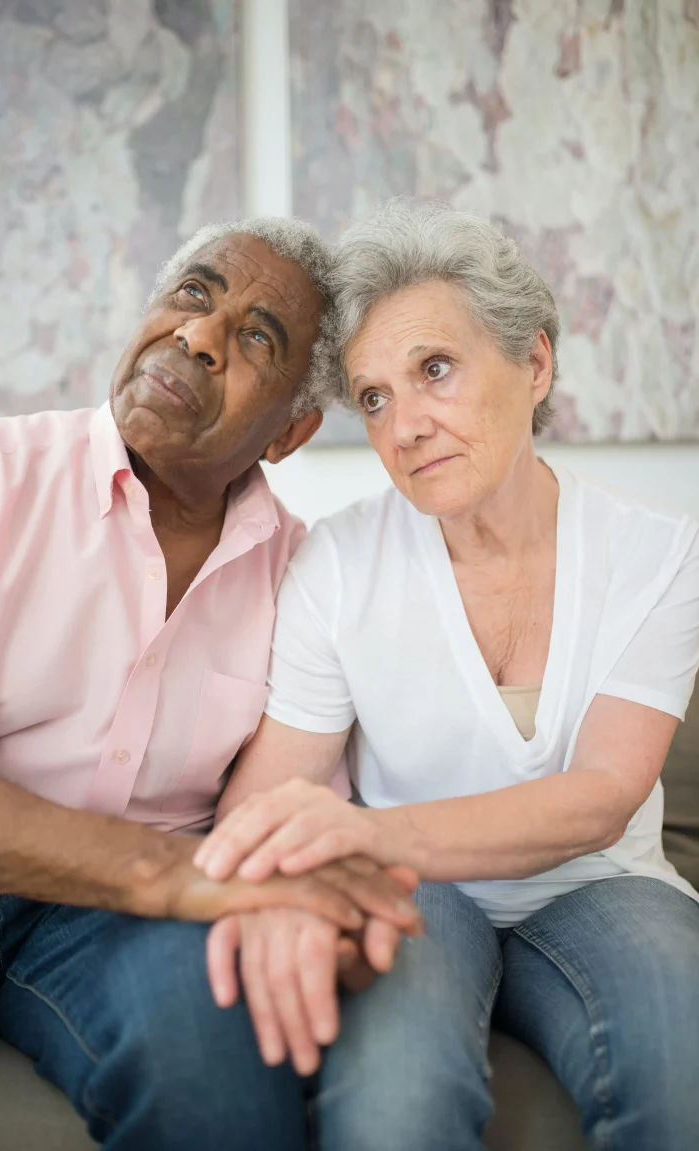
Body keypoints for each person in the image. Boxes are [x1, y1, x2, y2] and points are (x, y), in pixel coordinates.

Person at [197, 201, 699, 1151]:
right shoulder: (336, 564)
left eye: (435, 370)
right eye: (375, 397)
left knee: (684, 1071)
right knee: (394, 1105)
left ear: (535, 363)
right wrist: (270, 889)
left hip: (603, 883)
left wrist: (357, 831)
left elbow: (599, 799)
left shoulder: (662, 554)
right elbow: (270, 795)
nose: (407, 426)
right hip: (412, 888)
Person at [0, 216, 422, 1150]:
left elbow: (292, 820)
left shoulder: (309, 580)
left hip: (127, 930)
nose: (198, 335)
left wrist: (328, 918)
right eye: (192, 296)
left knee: (219, 1081)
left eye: (255, 337)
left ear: (291, 433)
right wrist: (170, 872)